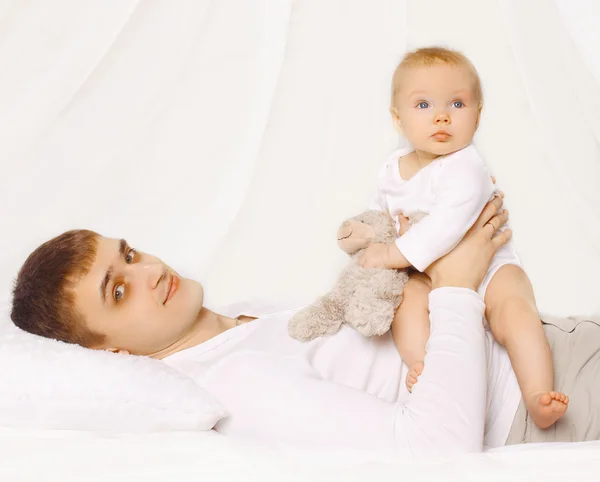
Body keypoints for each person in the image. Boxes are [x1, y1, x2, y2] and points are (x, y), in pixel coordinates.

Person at [9, 198, 600, 455]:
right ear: (110, 354)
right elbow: (434, 453)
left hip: (547, 343)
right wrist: (455, 286)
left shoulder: (242, 319)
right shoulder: (235, 380)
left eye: (130, 255)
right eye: (118, 289)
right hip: (549, 404)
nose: (149, 271)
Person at [361, 46, 567, 429]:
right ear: (397, 118)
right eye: (423, 105)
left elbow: (448, 225)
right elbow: (379, 219)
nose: (441, 115)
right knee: (404, 303)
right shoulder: (391, 171)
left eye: (457, 103)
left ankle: (538, 394)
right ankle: (425, 363)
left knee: (516, 312)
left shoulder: (465, 166)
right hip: (424, 275)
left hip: (491, 269)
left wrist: (392, 252)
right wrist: (370, 243)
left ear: (478, 115)